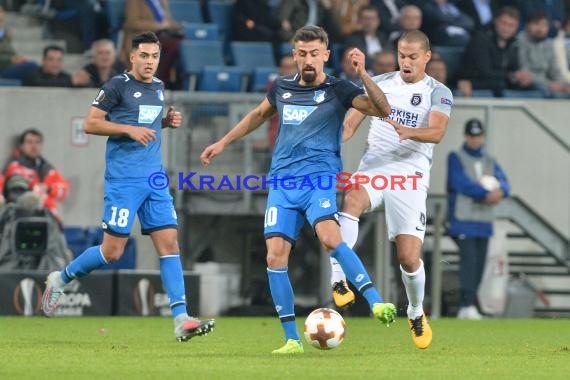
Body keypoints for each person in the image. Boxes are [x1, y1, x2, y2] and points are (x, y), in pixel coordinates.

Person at [200, 25, 396, 354]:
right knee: (275, 257)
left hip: (318, 180)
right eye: (302, 53)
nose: (308, 60)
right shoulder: (282, 89)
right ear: (294, 55)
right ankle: (292, 340)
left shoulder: (340, 89)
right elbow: (257, 116)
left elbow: (382, 109)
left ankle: (376, 302)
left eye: (314, 54)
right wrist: (222, 142)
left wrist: (363, 74)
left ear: (326, 56)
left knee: (330, 238)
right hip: (281, 184)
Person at [41, 31, 215, 342]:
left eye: (155, 56)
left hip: (154, 180)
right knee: (112, 251)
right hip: (124, 181)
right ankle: (61, 278)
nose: (150, 62)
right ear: (132, 56)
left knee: (170, 245)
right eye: (144, 56)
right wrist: (128, 130)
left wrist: (164, 122)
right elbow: (91, 123)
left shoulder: (159, 87)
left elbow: (145, 123)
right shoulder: (117, 85)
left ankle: (181, 318)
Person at [330, 30, 453, 350]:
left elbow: (437, 132)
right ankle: (339, 277)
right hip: (374, 169)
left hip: (410, 177)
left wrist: (408, 131)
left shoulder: (438, 92)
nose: (406, 62)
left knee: (409, 258)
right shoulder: (380, 83)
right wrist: (328, 146)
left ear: (427, 57)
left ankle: (414, 311)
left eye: (413, 57)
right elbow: (348, 124)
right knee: (352, 197)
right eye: (402, 56)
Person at [447, 118, 510, 320]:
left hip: (484, 221)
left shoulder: (489, 160)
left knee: (480, 264)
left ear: (483, 137)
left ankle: (471, 304)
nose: (475, 140)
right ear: (466, 136)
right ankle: (465, 305)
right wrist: (485, 193)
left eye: (478, 136)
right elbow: (460, 183)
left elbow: (505, 183)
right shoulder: (455, 157)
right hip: (464, 219)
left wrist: (501, 192)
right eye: (472, 136)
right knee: (469, 263)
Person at [2, 128, 69, 224]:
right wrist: (36, 191)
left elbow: (64, 191)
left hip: (50, 220)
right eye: (29, 142)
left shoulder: (48, 169)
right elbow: (15, 196)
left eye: (37, 142)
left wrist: (49, 188)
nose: (34, 146)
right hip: (22, 220)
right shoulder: (14, 168)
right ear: (21, 146)